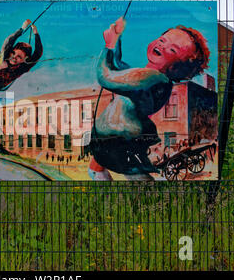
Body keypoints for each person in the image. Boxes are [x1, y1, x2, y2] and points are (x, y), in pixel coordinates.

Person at [89, 16, 210, 180]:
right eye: (162, 40)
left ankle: (145, 199)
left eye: (173, 50)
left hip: (120, 138)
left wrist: (109, 46)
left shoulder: (151, 78)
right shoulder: (147, 77)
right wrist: (116, 39)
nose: (162, 45)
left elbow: (106, 76)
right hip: (116, 137)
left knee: (131, 173)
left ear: (179, 68)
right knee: (111, 169)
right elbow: (117, 65)